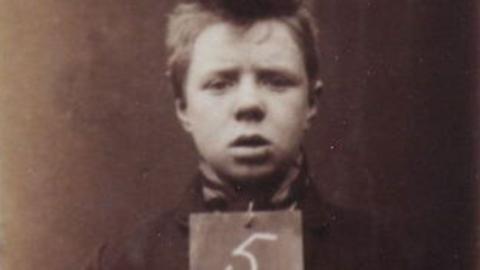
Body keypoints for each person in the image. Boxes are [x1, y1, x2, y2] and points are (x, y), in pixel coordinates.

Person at [85, 0, 403, 269]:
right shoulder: (125, 262)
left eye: (276, 80)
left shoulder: (386, 257)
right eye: (220, 84)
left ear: (311, 102)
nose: (249, 104)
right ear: (183, 107)